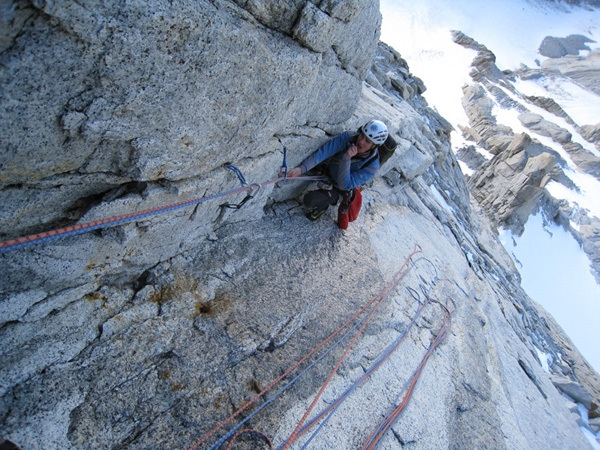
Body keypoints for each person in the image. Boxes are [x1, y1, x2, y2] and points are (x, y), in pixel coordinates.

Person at [287, 120, 388, 221]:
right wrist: (301, 168)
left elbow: (345, 185)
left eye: (367, 141)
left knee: (310, 200)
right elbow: (325, 151)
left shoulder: (372, 167)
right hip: (327, 171)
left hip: (338, 189)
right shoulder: (348, 137)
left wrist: (346, 158)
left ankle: (323, 207)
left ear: (374, 146)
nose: (361, 142)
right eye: (362, 136)